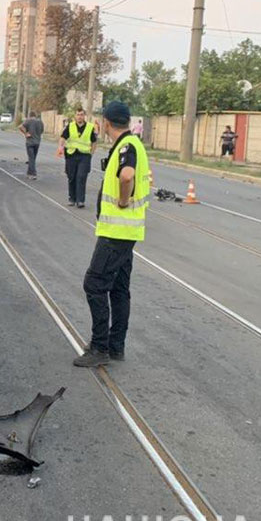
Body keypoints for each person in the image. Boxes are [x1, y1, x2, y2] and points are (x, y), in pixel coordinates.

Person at [75, 101, 150, 368]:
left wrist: (121, 200)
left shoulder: (127, 146)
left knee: (94, 284)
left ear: (106, 122)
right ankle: (116, 346)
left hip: (117, 232)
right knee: (119, 289)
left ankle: (100, 347)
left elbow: (126, 176)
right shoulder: (134, 143)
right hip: (127, 231)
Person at [57, 108, 97, 207]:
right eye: (78, 114)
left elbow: (94, 142)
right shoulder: (70, 127)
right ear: (75, 116)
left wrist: (91, 153)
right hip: (71, 155)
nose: (80, 116)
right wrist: (60, 147)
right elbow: (62, 138)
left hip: (84, 156)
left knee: (81, 177)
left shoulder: (89, 127)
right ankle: (72, 198)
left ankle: (80, 200)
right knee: (72, 177)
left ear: (84, 116)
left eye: (82, 114)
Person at [18, 111, 45, 178]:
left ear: (30, 115)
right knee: (33, 158)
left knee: (31, 158)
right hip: (37, 142)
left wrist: (25, 133)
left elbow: (20, 127)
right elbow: (42, 131)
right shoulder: (40, 122)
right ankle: (29, 173)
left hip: (30, 142)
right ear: (35, 115)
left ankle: (33, 173)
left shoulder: (28, 121)